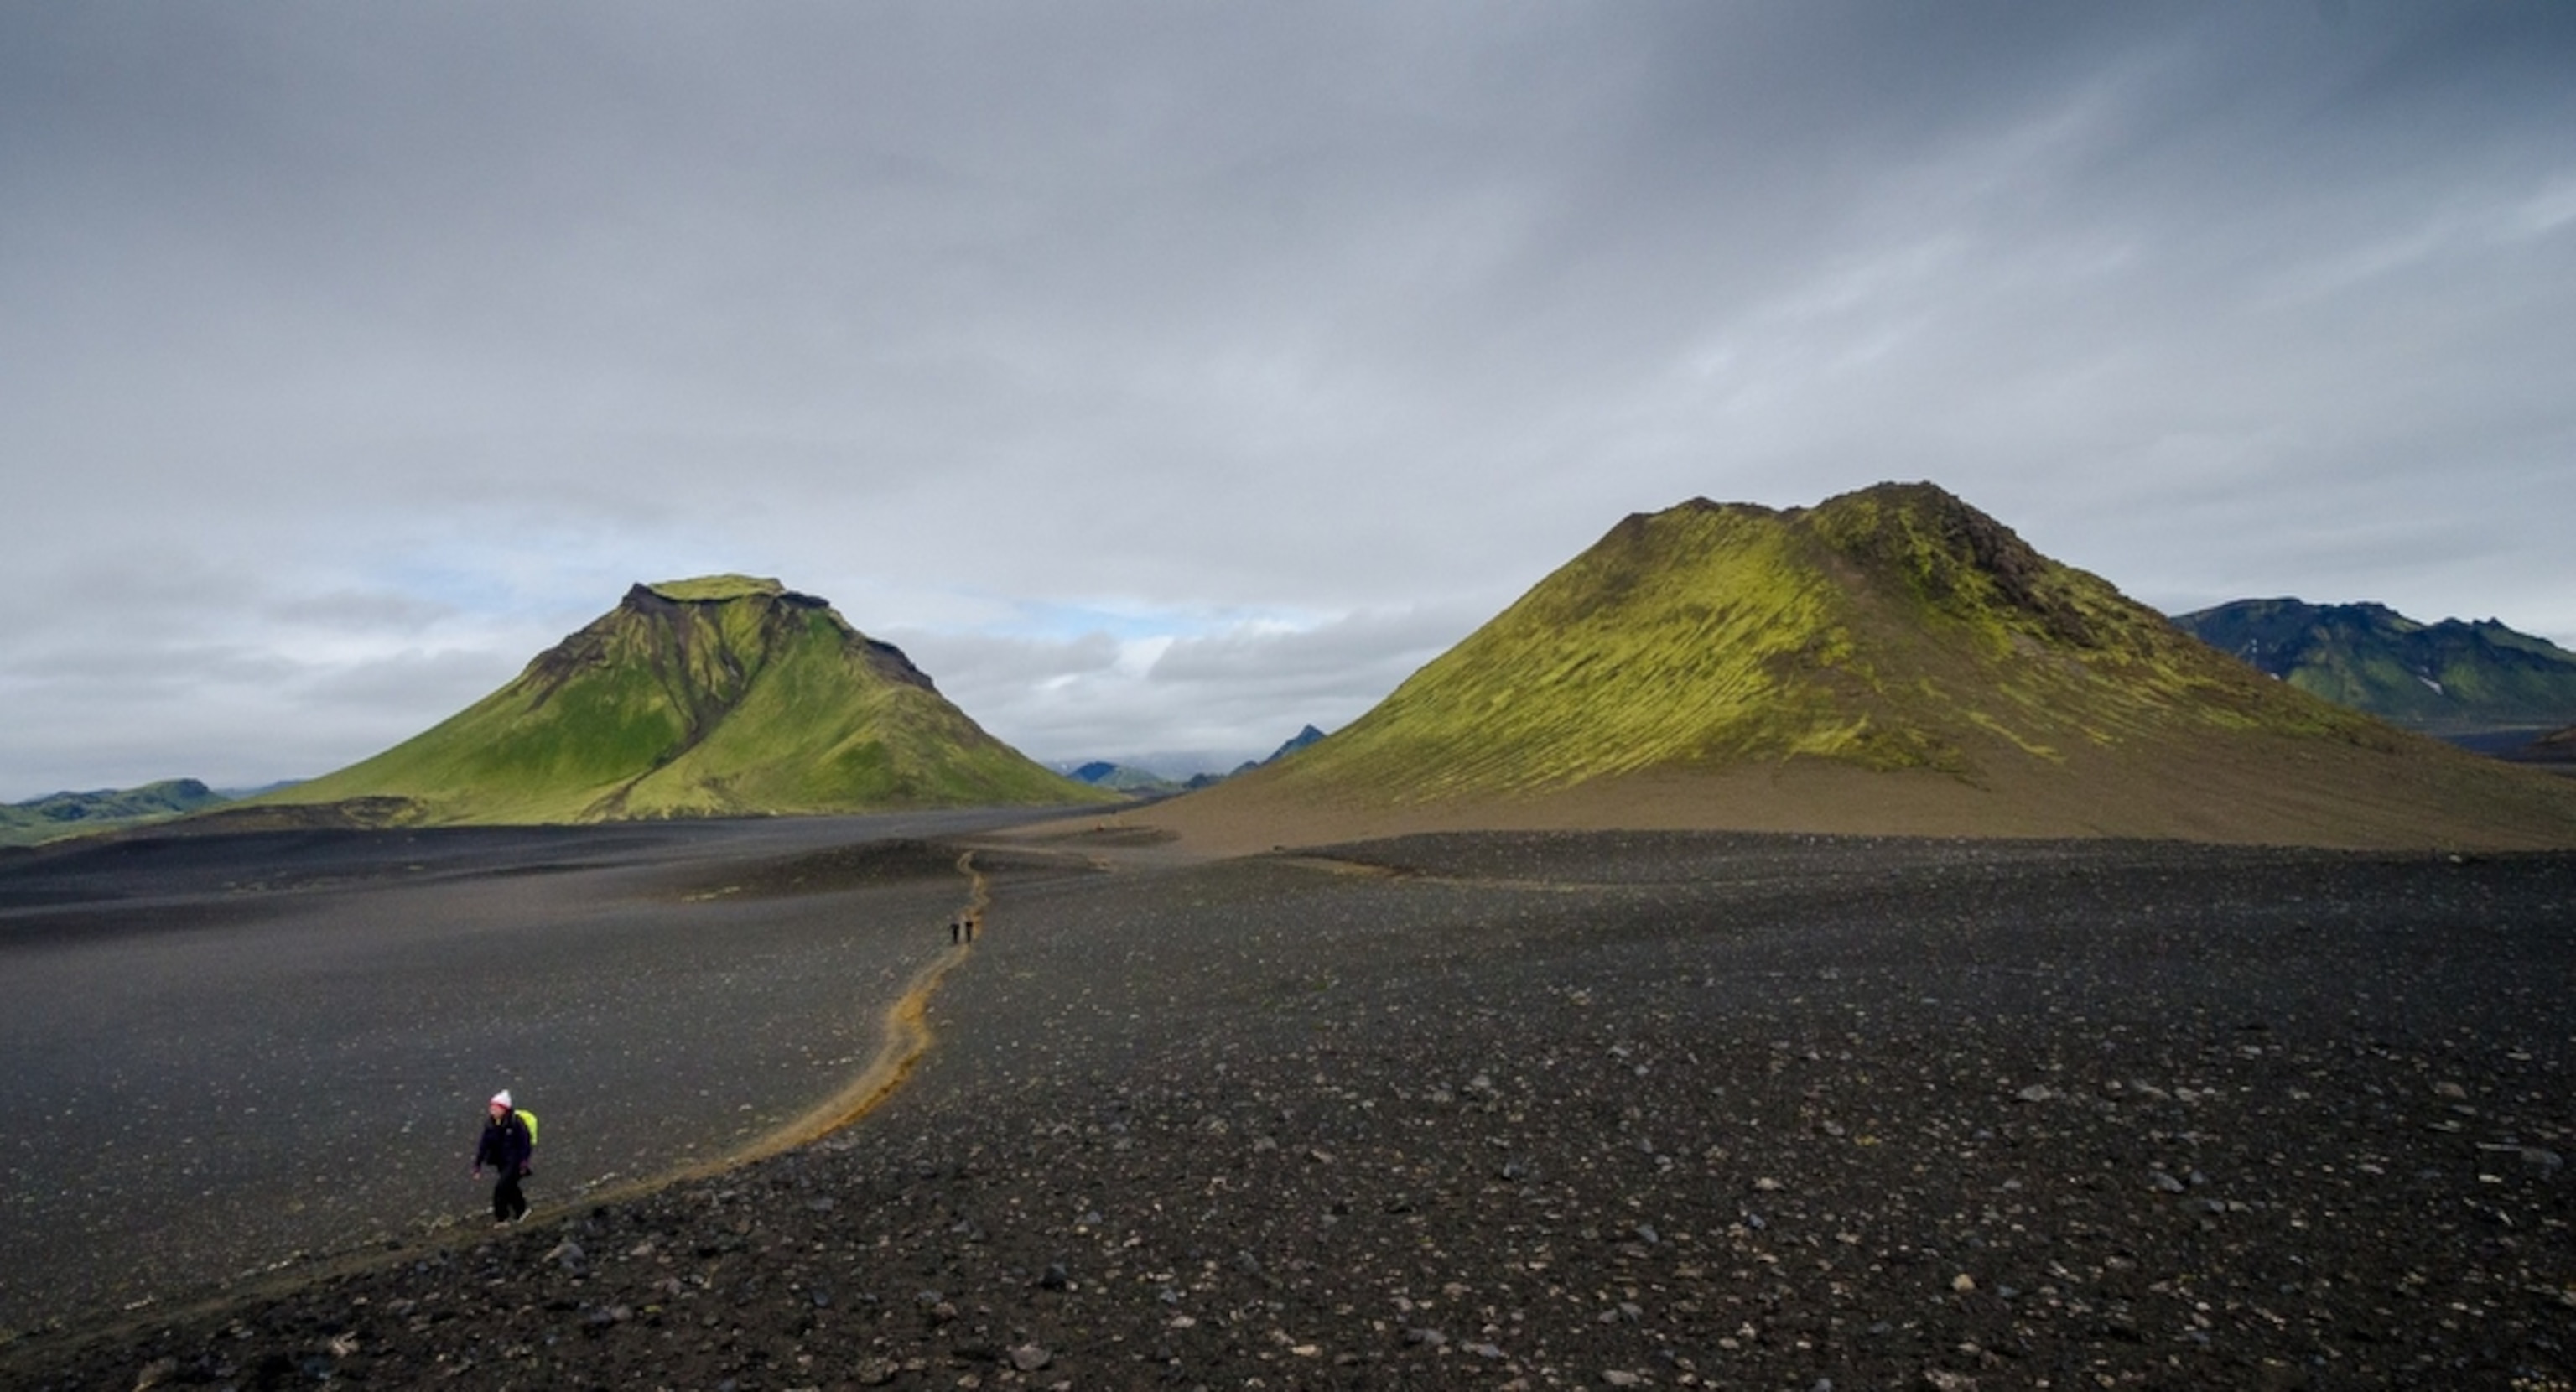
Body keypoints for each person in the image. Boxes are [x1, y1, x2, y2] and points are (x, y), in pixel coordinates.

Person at [472, 1089, 533, 1226]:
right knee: (511, 1188)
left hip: (514, 1161)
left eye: (495, 1107)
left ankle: (502, 1218)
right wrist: (477, 1165)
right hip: (501, 1161)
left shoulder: (516, 1123)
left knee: (501, 1189)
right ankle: (522, 1211)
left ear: (504, 1109)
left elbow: (525, 1143)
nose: (491, 1110)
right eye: (491, 1107)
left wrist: (523, 1162)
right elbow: (484, 1144)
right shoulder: (490, 1125)